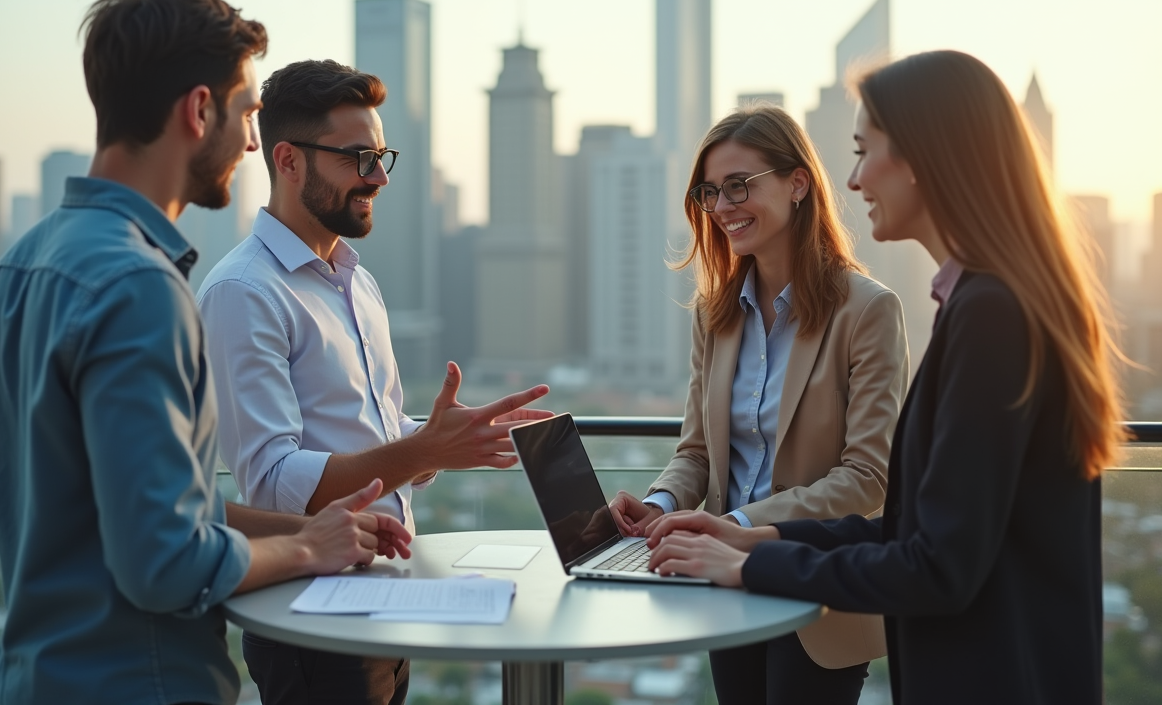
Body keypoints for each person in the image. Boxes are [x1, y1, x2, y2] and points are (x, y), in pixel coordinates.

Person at [0, 0, 411, 705]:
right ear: (197, 109)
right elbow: (164, 562)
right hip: (136, 683)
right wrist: (304, 546)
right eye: (243, 114)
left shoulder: (20, 266)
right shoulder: (138, 287)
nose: (249, 142)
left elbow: (132, 506)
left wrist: (322, 528)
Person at [647, 50, 1126, 705]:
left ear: (928, 158)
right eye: (710, 192)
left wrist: (754, 554)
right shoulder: (986, 304)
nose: (853, 178)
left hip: (993, 674)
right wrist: (746, 536)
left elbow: (931, 556)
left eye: (864, 149)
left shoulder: (987, 314)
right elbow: (921, 530)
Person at [196, 58, 551, 705]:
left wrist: (441, 437)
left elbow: (369, 440)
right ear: (289, 160)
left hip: (387, 591)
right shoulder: (243, 294)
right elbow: (276, 482)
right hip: (310, 612)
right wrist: (422, 451)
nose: (377, 178)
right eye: (357, 157)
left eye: (381, 157)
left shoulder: (357, 281)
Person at [608, 105, 909, 704]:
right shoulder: (715, 315)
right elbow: (697, 451)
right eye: (710, 192)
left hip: (817, 591)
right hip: (721, 585)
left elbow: (869, 477)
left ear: (798, 183)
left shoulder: (868, 311)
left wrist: (738, 527)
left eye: (740, 185)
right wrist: (660, 504)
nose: (722, 207)